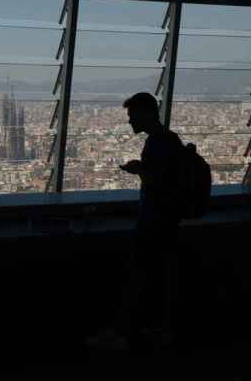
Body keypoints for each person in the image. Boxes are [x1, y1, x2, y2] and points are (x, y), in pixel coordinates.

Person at [87, 92, 182, 351]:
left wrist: (138, 169)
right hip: (167, 221)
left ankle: (122, 333)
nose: (130, 121)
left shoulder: (158, 142)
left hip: (155, 220)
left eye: (132, 116)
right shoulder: (170, 140)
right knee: (159, 278)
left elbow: (158, 182)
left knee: (138, 277)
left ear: (146, 114)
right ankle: (158, 330)